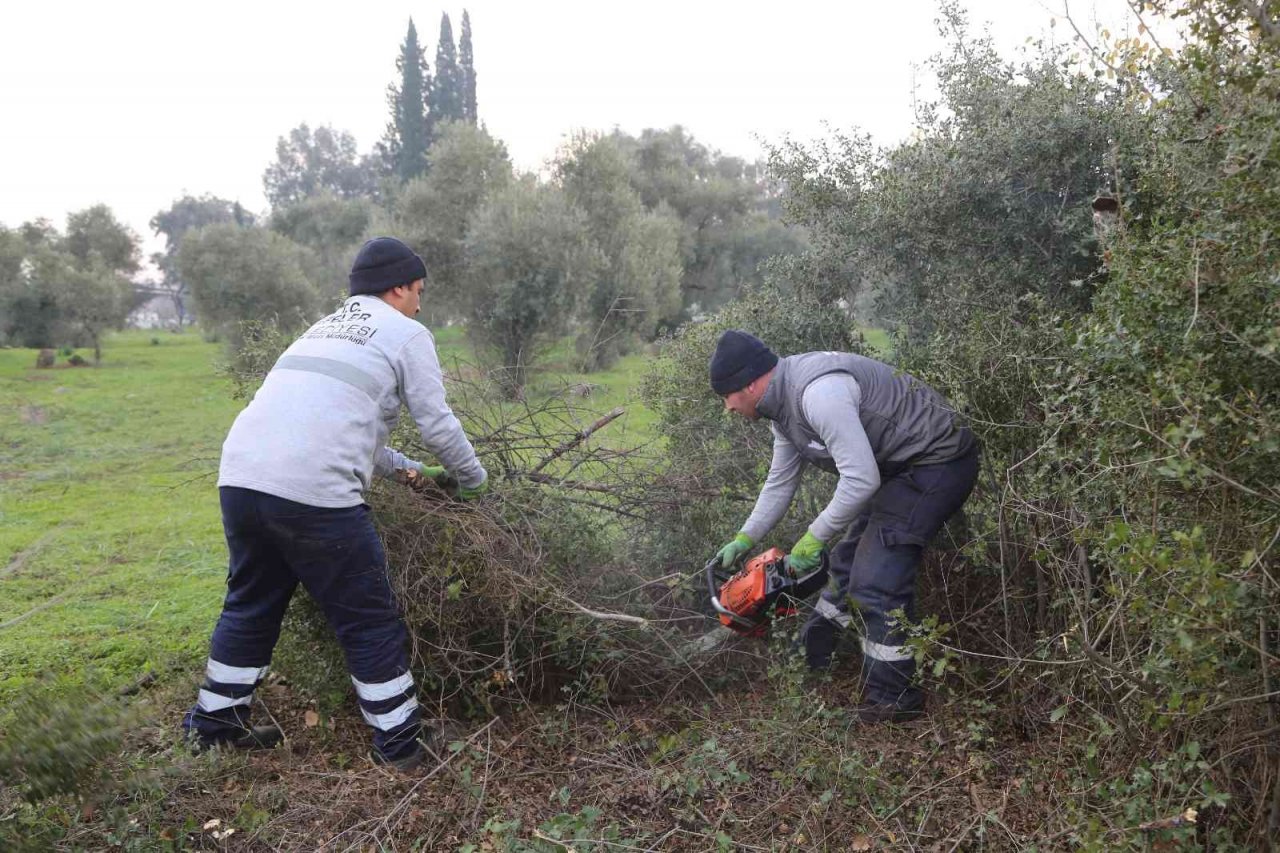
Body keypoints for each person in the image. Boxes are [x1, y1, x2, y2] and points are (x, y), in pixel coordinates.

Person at [182, 237, 488, 770]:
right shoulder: (406, 332)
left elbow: (330, 428)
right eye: (417, 290)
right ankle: (400, 746)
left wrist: (410, 470)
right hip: (314, 498)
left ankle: (213, 728)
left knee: (250, 605)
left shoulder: (320, 330)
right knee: (368, 619)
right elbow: (437, 422)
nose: (420, 302)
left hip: (241, 480)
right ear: (397, 288)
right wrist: (473, 480)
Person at [710, 330, 978, 722]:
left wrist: (813, 537)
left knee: (875, 581)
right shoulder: (782, 411)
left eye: (727, 396)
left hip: (936, 464)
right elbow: (780, 481)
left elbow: (861, 480)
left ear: (748, 384)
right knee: (845, 565)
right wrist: (745, 536)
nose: (727, 407)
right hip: (897, 470)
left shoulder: (819, 395)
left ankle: (894, 699)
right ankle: (813, 661)